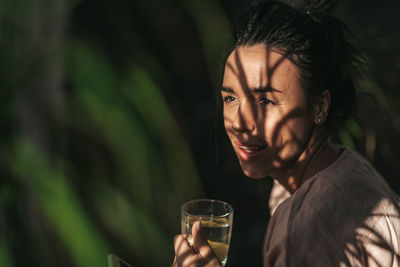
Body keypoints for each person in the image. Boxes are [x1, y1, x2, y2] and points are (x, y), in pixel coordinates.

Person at [172, 0, 400, 266]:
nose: (239, 122)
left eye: (265, 101)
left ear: (320, 106)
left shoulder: (310, 222)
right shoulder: (342, 169)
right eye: (231, 99)